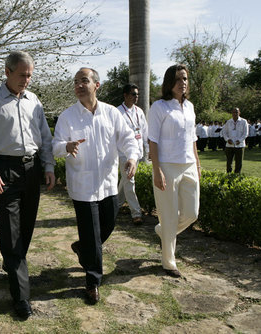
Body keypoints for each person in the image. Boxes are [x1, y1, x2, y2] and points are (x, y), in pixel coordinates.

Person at [0, 51, 56, 319]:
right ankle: (21, 296)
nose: (26, 80)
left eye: (30, 75)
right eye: (22, 75)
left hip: (31, 170)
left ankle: (12, 261)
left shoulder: (34, 101)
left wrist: (50, 166)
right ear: (7, 72)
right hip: (4, 170)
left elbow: (45, 136)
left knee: (26, 227)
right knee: (11, 230)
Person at [53, 68, 140, 305]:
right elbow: (55, 145)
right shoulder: (68, 116)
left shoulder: (112, 114)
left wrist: (132, 157)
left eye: (84, 81)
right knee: (92, 233)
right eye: (76, 82)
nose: (79, 85)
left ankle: (83, 247)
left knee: (108, 225)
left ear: (97, 85)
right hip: (82, 187)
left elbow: (128, 139)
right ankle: (92, 281)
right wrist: (66, 147)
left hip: (109, 184)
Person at [148, 64, 200, 278]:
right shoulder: (159, 107)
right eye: (178, 79)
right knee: (168, 216)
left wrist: (197, 163)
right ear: (169, 83)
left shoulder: (190, 107)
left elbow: (193, 138)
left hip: (188, 165)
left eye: (185, 79)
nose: (183, 83)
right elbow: (153, 140)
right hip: (167, 166)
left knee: (191, 213)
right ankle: (169, 262)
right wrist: (157, 170)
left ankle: (163, 232)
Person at [116, 83, 148, 225]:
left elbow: (144, 131)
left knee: (125, 181)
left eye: (137, 94)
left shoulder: (139, 111)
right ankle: (136, 213)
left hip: (138, 152)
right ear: (125, 95)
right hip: (124, 155)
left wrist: (147, 149)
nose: (136, 97)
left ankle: (114, 206)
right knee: (130, 182)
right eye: (133, 94)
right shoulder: (117, 112)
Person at [222, 107, 249, 173]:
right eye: (233, 112)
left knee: (239, 162)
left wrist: (240, 140)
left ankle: (236, 176)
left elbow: (246, 133)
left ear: (239, 113)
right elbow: (224, 132)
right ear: (231, 113)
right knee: (229, 162)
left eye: (236, 112)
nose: (235, 114)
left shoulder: (243, 121)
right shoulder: (228, 122)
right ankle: (228, 174)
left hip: (239, 145)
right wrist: (227, 139)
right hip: (229, 145)